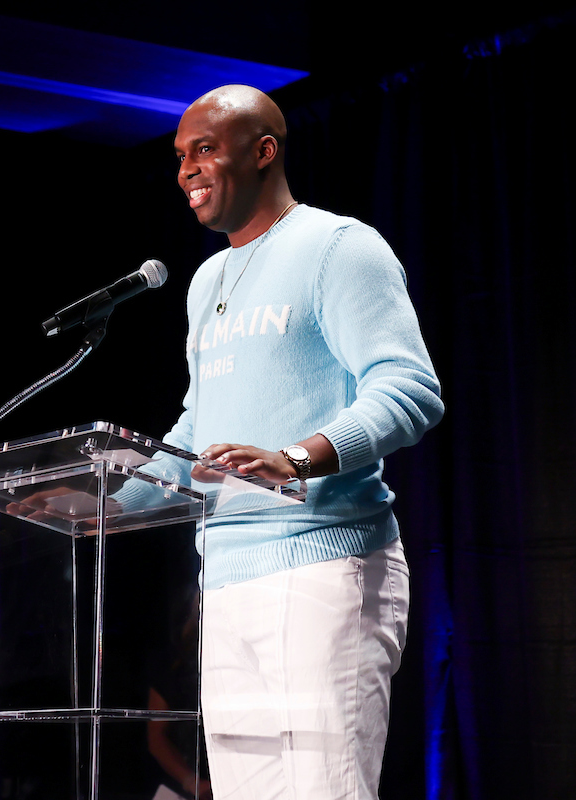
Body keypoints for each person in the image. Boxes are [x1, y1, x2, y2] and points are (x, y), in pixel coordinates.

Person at [162, 85, 444, 798]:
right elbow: (200, 428)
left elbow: (409, 389)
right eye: (179, 157)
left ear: (263, 151)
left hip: (323, 564)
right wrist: (104, 492)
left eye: (204, 150)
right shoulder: (206, 282)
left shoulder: (338, 247)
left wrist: (295, 457)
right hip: (224, 580)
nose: (187, 170)